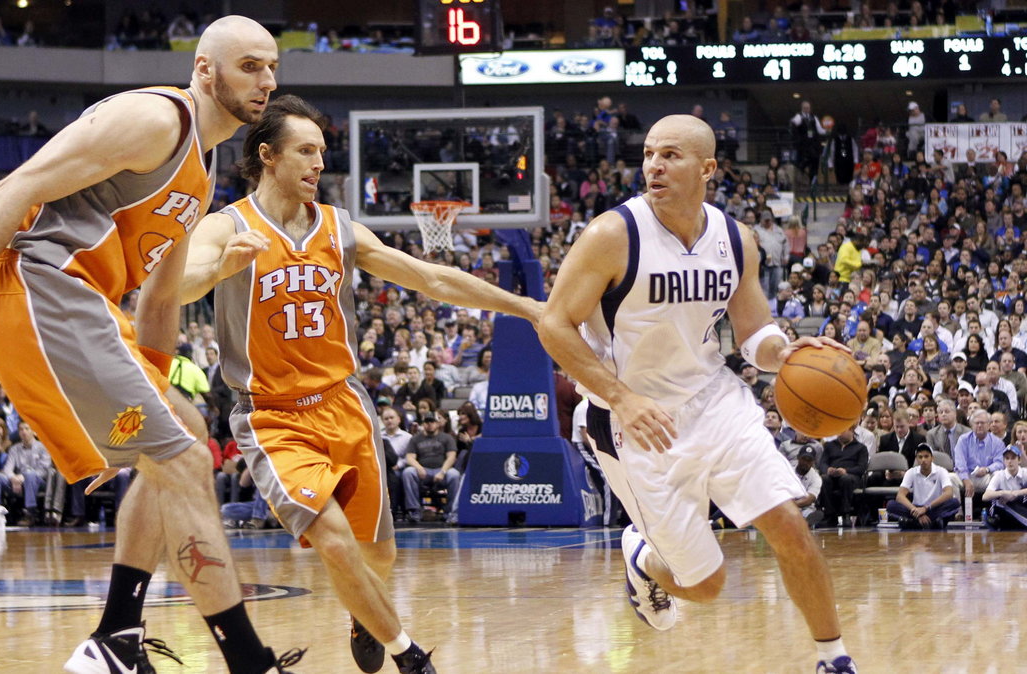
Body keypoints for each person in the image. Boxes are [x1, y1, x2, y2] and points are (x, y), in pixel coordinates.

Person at [0, 16, 301, 674]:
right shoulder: (158, 120)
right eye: (250, 66)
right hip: (34, 292)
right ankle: (248, 661)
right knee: (182, 458)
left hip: (80, 305)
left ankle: (116, 640)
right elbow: (11, 188)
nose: (266, 80)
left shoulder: (204, 172)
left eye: (271, 67)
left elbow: (158, 299)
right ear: (207, 70)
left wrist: (146, 392)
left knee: (179, 434)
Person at [181, 94, 541, 674]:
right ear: (267, 156)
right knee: (333, 540)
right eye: (306, 151)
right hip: (271, 415)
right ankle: (410, 655)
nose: (319, 163)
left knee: (379, 553)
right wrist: (220, 267)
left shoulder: (338, 228)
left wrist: (525, 306)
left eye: (322, 152)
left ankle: (363, 614)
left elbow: (429, 277)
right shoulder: (228, 227)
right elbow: (178, 286)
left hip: (344, 404)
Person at [537, 114, 856, 673]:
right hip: (636, 422)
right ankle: (643, 559)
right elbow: (554, 326)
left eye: (671, 155)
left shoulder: (736, 239)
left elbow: (753, 332)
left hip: (714, 401)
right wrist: (622, 397)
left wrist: (781, 353)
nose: (654, 165)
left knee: (789, 526)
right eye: (649, 154)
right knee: (707, 586)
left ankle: (834, 659)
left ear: (708, 167)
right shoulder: (612, 235)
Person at [400, 412, 461, 524]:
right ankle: (414, 511)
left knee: (454, 474)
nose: (429, 424)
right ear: (423, 424)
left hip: (441, 470)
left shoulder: (447, 438)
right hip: (424, 471)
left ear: (437, 423)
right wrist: (418, 467)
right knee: (408, 472)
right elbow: (409, 457)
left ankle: (451, 513)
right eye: (427, 422)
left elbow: (452, 456)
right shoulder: (416, 439)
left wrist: (443, 471)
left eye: (432, 422)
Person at [886, 444, 960, 529]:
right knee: (891, 505)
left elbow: (949, 493)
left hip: (933, 507)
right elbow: (900, 496)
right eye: (920, 457)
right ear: (916, 459)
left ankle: (914, 523)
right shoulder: (911, 472)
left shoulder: (941, 471)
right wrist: (915, 511)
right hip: (915, 508)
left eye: (926, 456)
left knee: (954, 503)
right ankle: (928, 521)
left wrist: (926, 508)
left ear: (932, 458)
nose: (923, 460)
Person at [982, 446, 1027, 529]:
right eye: (1007, 458)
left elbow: (1017, 495)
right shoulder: (999, 475)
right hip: (1005, 509)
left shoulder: (1024, 472)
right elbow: (985, 496)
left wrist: (1016, 493)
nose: (1010, 461)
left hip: (1021, 506)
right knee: (998, 495)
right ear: (1004, 461)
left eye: (1013, 458)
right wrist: (1003, 493)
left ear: (1019, 460)